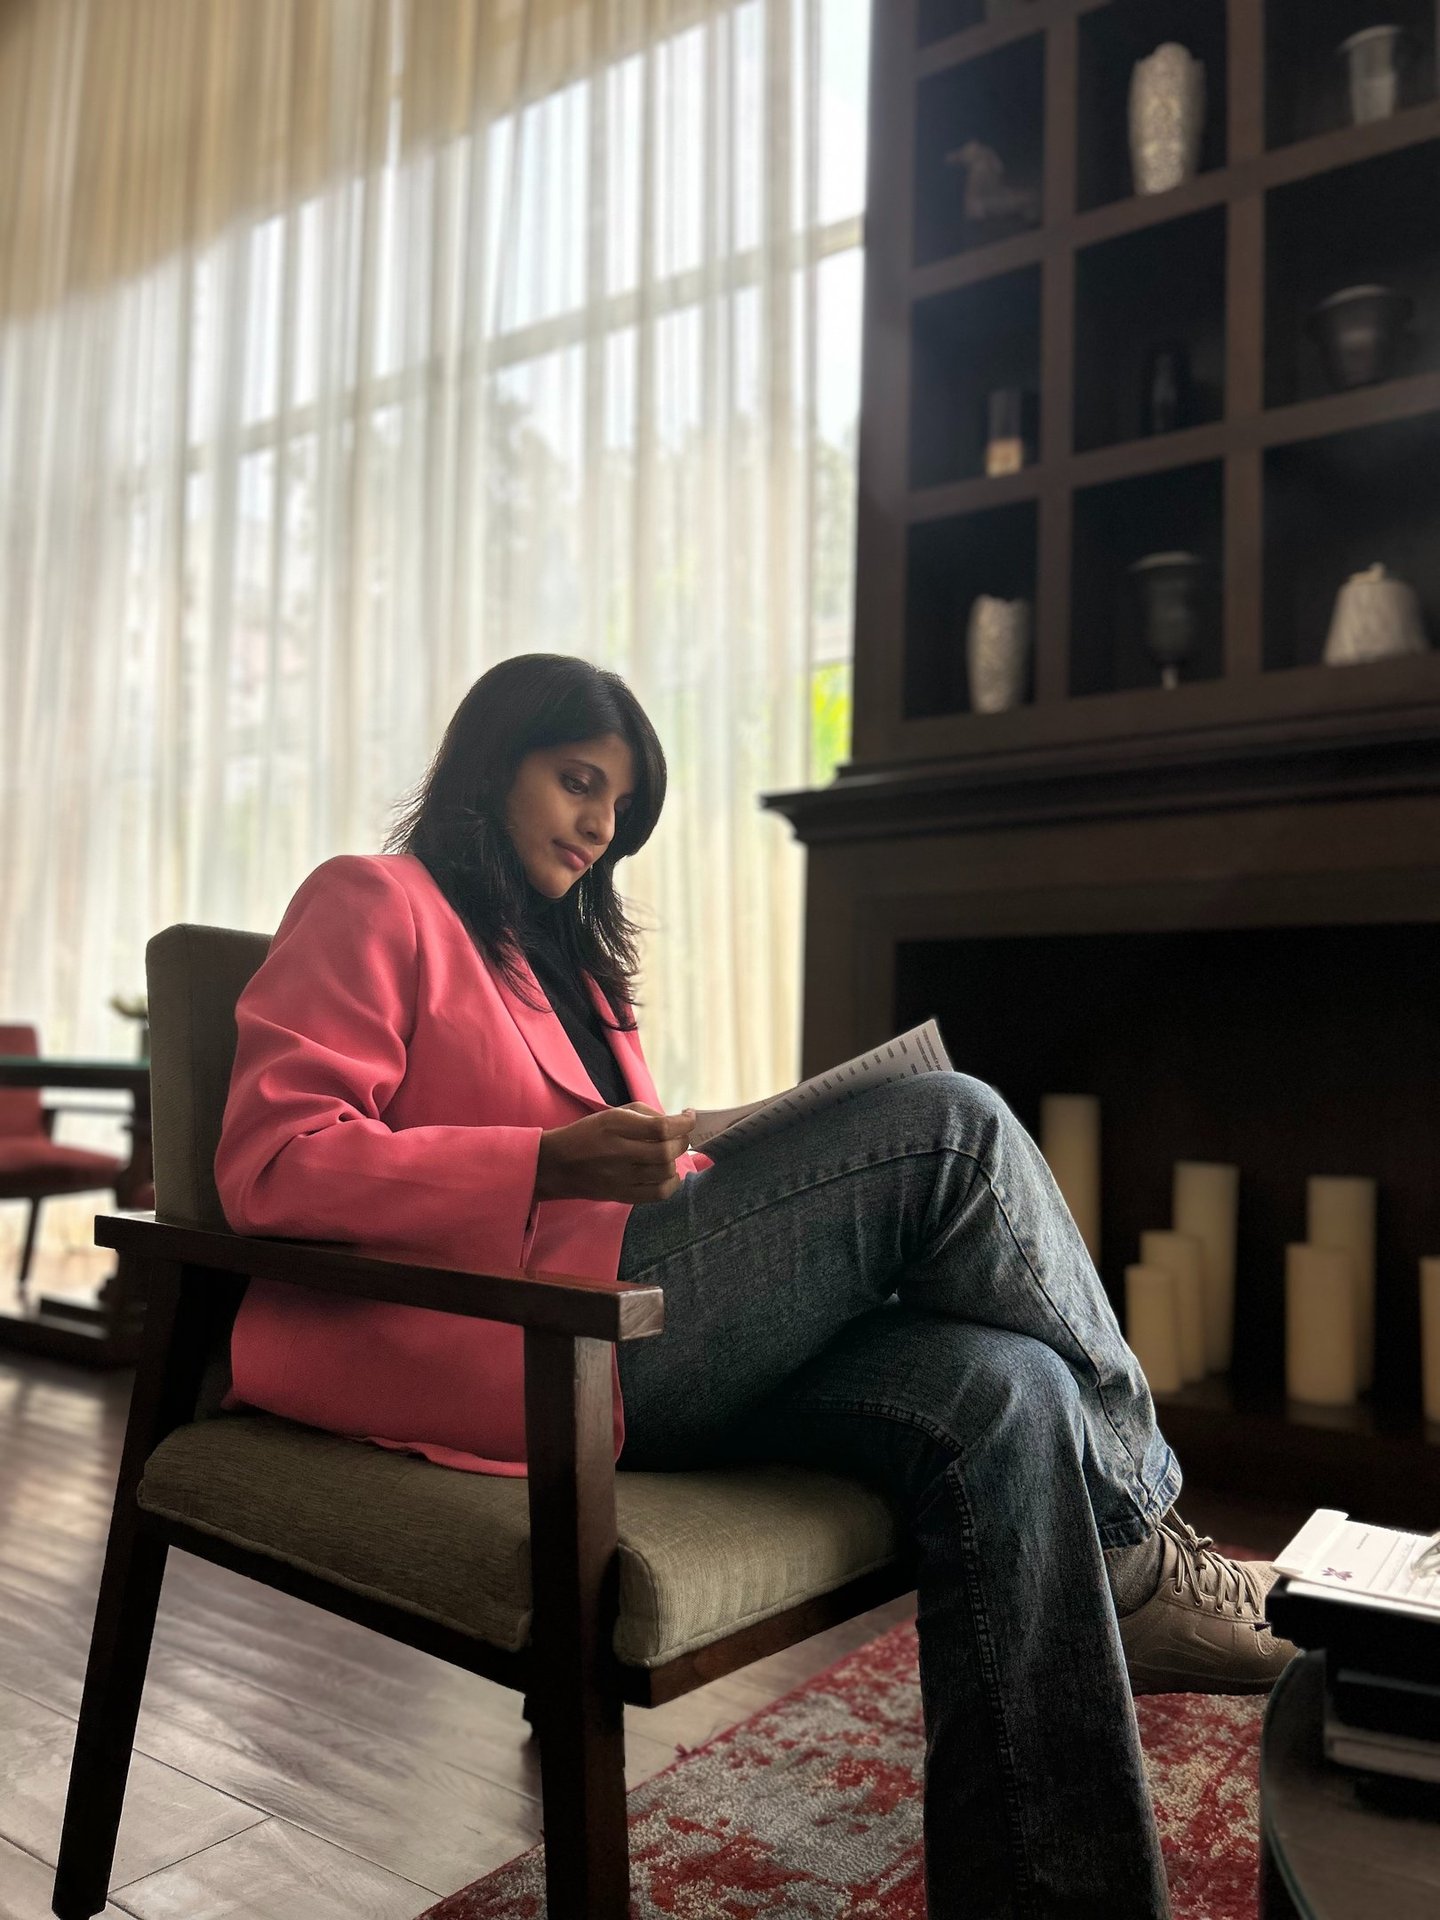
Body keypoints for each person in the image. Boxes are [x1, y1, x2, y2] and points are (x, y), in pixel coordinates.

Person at [215, 652, 1294, 1920]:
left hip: (657, 1330)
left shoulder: (569, 975)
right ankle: (1147, 1544)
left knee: (1008, 1386)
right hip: (535, 1343)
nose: (599, 827)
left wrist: (705, 1145)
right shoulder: (373, 900)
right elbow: (273, 1163)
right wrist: (543, 1159)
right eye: (577, 783)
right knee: (954, 1125)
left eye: (618, 809)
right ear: (489, 760)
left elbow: (634, 1182)